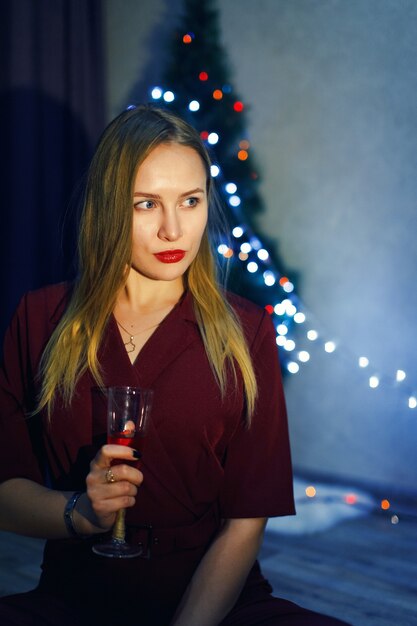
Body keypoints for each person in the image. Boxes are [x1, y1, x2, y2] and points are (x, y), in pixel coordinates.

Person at [0, 105, 350, 626]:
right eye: (146, 204)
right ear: (110, 206)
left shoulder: (247, 331)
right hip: (75, 601)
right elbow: (6, 491)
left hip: (218, 603)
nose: (173, 230)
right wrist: (81, 512)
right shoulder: (39, 318)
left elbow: (244, 523)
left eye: (190, 200)